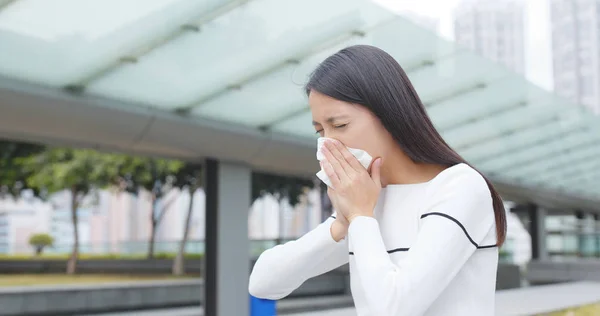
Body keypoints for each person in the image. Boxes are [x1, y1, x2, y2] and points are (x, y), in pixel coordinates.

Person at [248, 45, 507, 316]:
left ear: (389, 115)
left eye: (340, 125)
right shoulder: (370, 200)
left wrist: (360, 216)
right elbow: (263, 283)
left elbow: (393, 308)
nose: (328, 144)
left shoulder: (458, 186)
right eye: (319, 131)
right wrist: (341, 224)